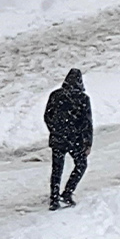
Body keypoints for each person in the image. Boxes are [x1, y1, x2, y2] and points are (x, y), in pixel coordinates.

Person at [44, 68, 93, 211]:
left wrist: (54, 130)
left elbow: (47, 116)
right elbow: (87, 123)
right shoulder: (83, 99)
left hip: (58, 138)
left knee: (57, 168)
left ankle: (54, 198)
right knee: (81, 165)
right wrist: (87, 142)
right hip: (75, 140)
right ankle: (67, 193)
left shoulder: (55, 95)